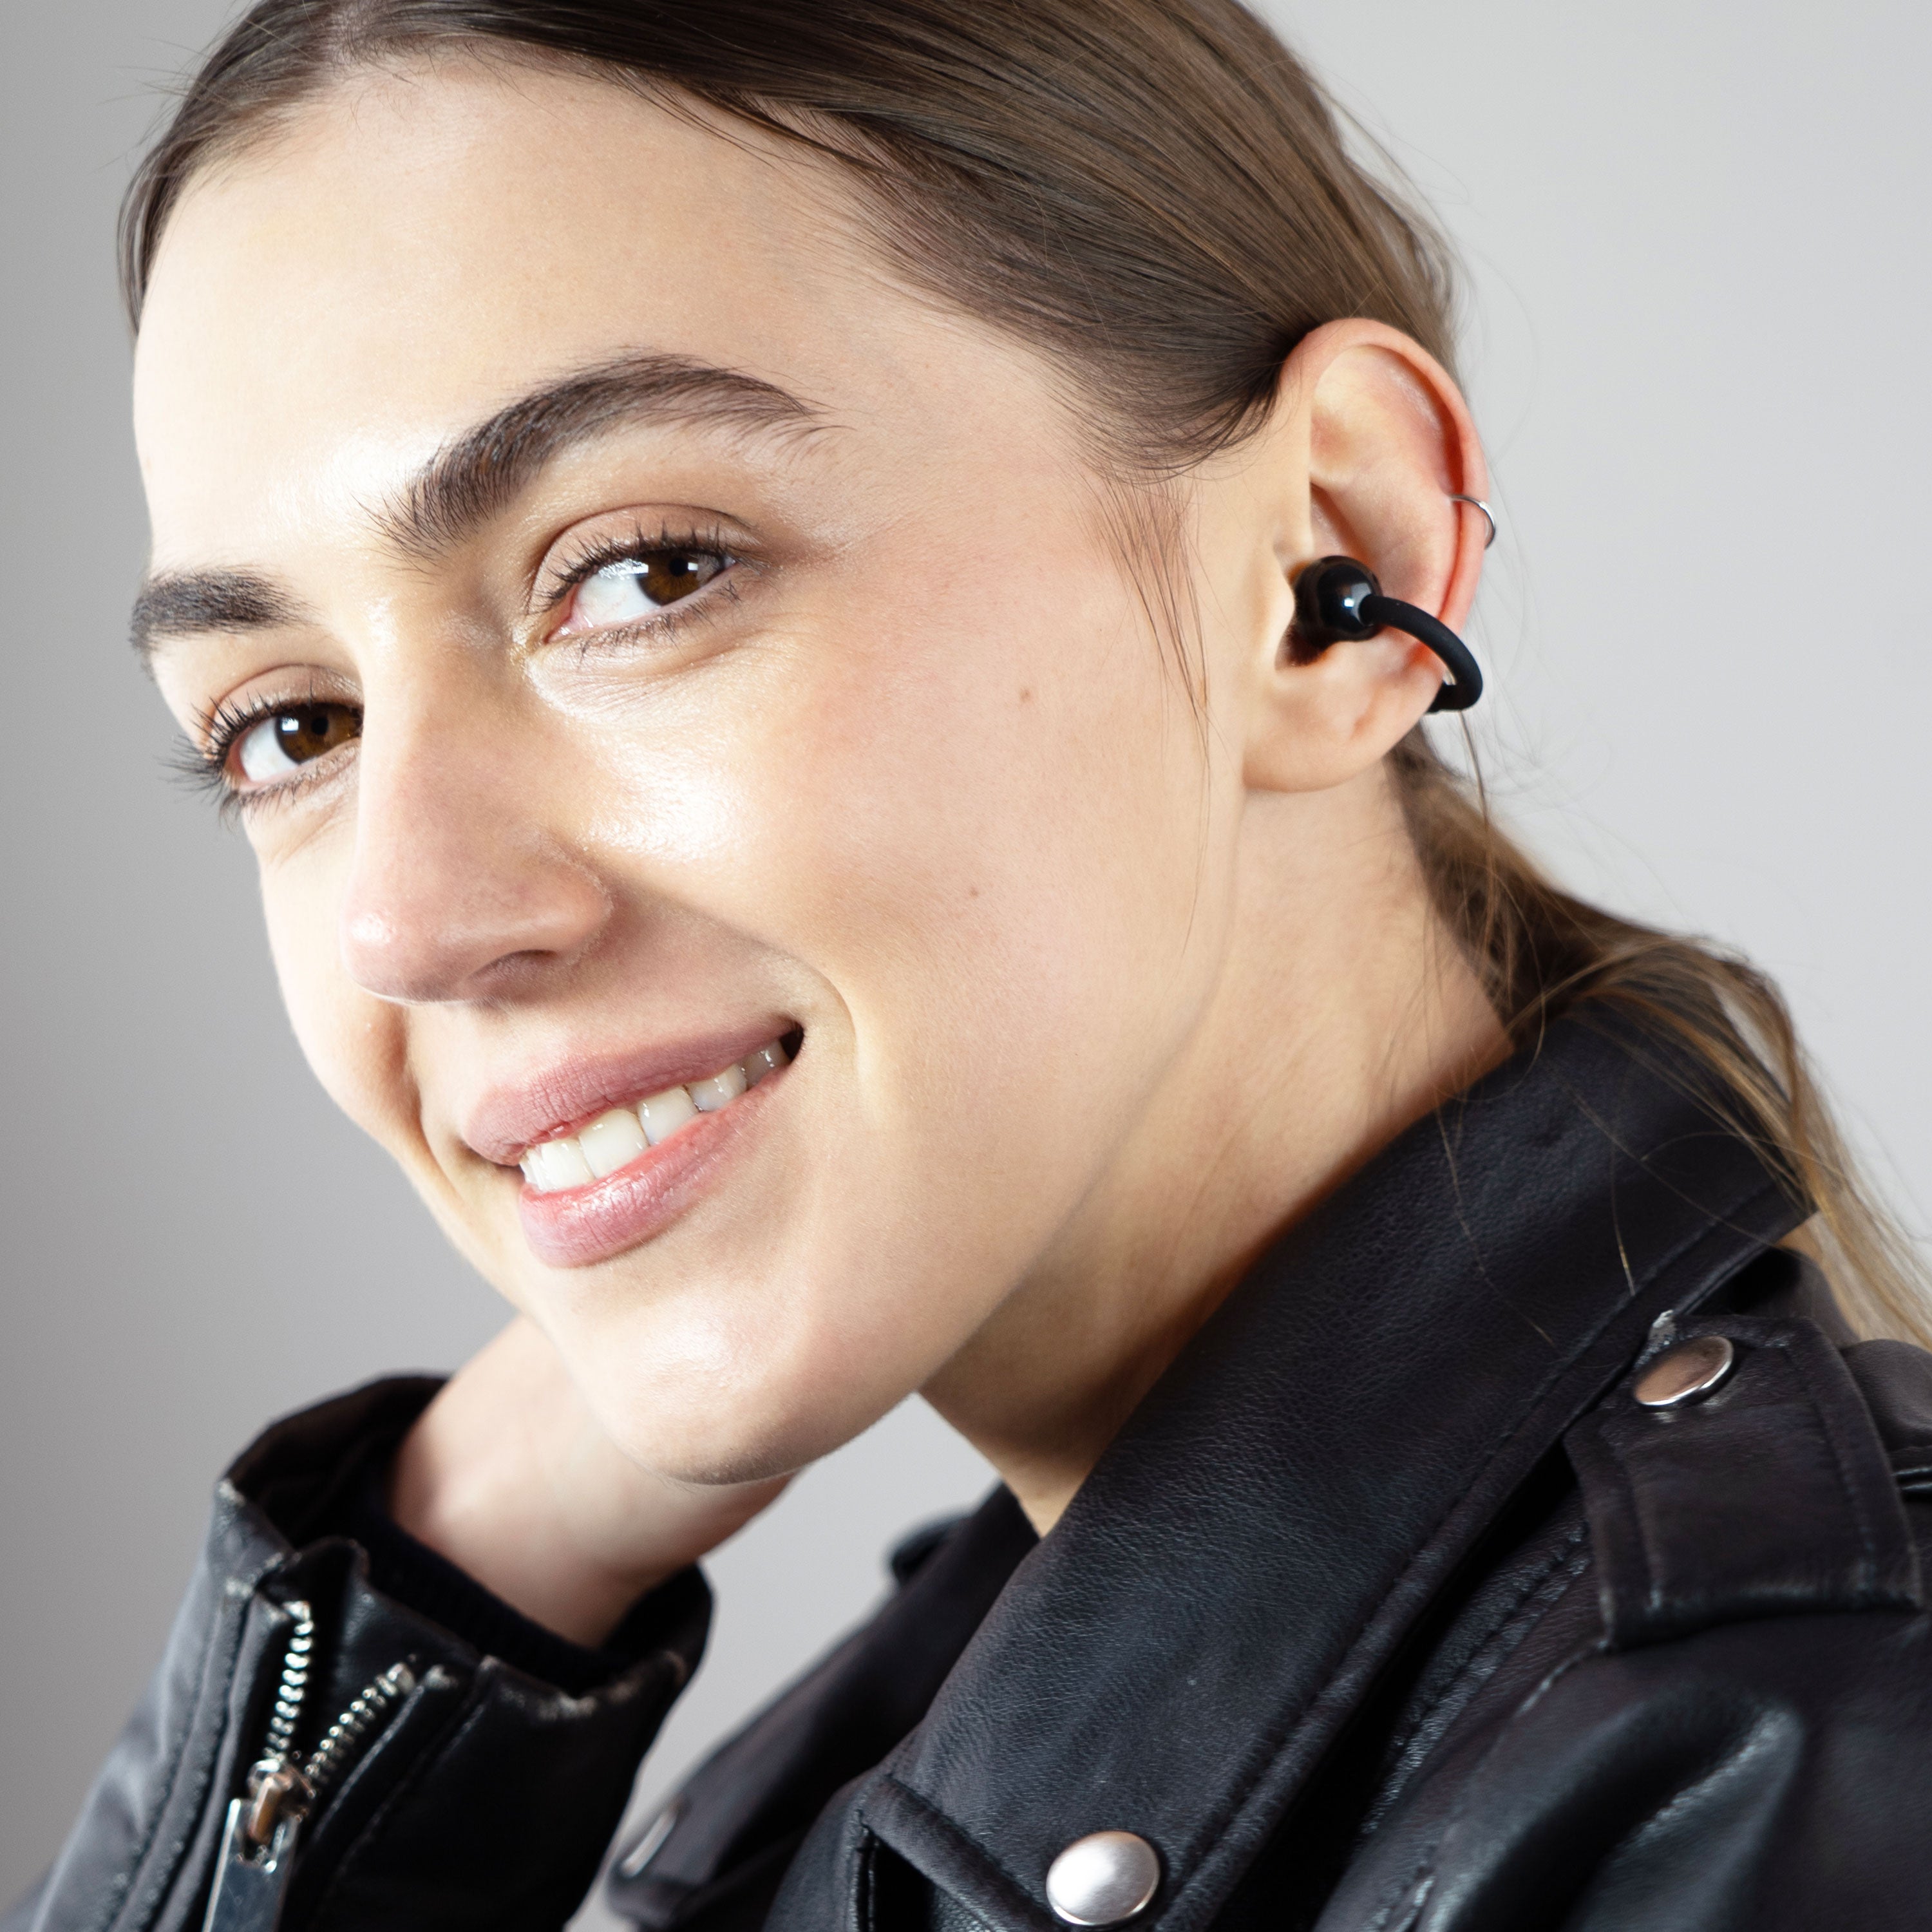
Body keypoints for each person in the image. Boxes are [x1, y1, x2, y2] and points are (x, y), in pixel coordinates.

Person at [12, 2, 1932, 1927]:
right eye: (290, 726)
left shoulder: (1787, 1772)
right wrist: (464, 1541)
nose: (409, 921)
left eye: (645, 573)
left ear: (1328, 571)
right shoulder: (953, 1741)